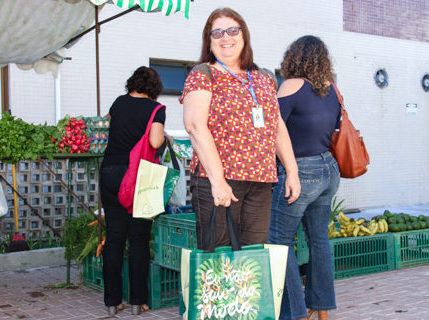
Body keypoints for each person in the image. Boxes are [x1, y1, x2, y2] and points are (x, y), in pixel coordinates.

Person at [180, 7, 300, 249]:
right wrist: (218, 181)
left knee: (253, 260)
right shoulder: (203, 74)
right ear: (209, 41)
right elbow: (194, 126)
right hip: (220, 180)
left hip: (261, 180)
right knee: (219, 261)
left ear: (244, 36)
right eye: (217, 33)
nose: (226, 37)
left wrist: (292, 171)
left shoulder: (264, 77)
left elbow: (277, 126)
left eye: (233, 30)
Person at [268, 35, 341, 320]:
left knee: (280, 240)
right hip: (328, 168)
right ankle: (321, 310)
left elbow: (272, 127)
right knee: (319, 240)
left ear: (294, 57)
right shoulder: (332, 88)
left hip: (300, 171)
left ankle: (294, 312)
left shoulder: (291, 84)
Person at [100, 66, 167, 317]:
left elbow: (108, 121)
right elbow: (155, 142)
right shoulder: (156, 109)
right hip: (140, 176)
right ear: (154, 89)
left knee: (115, 237)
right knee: (138, 238)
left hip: (110, 171)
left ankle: (111, 302)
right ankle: (138, 302)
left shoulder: (118, 103)